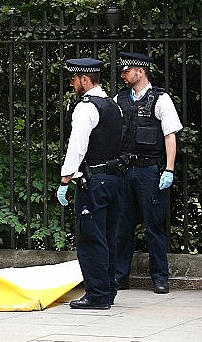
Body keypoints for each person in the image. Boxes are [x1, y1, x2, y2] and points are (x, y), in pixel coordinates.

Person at [57, 58, 125, 310]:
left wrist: (66, 178)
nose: (72, 84)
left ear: (85, 79)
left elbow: (78, 145)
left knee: (91, 238)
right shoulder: (113, 105)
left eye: (73, 79)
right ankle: (108, 289)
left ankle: (97, 294)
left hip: (93, 181)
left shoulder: (86, 107)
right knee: (109, 236)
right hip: (114, 179)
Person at [113, 52, 183, 294]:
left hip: (149, 171)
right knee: (122, 225)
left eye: (126, 71)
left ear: (140, 72)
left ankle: (160, 278)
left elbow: (170, 135)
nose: (122, 75)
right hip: (124, 170)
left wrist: (169, 169)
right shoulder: (119, 99)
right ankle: (120, 277)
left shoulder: (161, 99)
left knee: (154, 226)